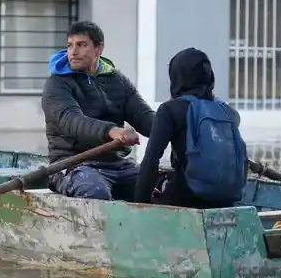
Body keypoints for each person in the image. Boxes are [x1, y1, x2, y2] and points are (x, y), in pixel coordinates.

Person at [41, 20, 155, 200]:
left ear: (98, 49)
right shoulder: (56, 84)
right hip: (72, 165)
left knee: (159, 190)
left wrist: (174, 125)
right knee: (95, 193)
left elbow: (143, 116)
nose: (73, 52)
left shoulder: (117, 80)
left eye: (81, 45)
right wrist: (111, 131)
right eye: (70, 45)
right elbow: (72, 121)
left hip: (117, 164)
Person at [134, 47, 248, 208]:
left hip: (186, 200)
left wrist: (138, 206)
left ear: (176, 76)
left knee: (158, 186)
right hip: (227, 200)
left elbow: (150, 163)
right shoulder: (228, 112)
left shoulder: (170, 110)